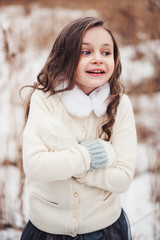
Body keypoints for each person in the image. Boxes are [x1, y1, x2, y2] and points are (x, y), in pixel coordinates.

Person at [20, 17, 137, 240]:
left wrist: (69, 164)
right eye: (86, 52)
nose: (98, 59)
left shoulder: (120, 104)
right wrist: (91, 156)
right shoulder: (45, 100)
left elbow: (122, 178)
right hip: (48, 230)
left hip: (104, 230)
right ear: (66, 56)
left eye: (106, 53)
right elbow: (35, 166)